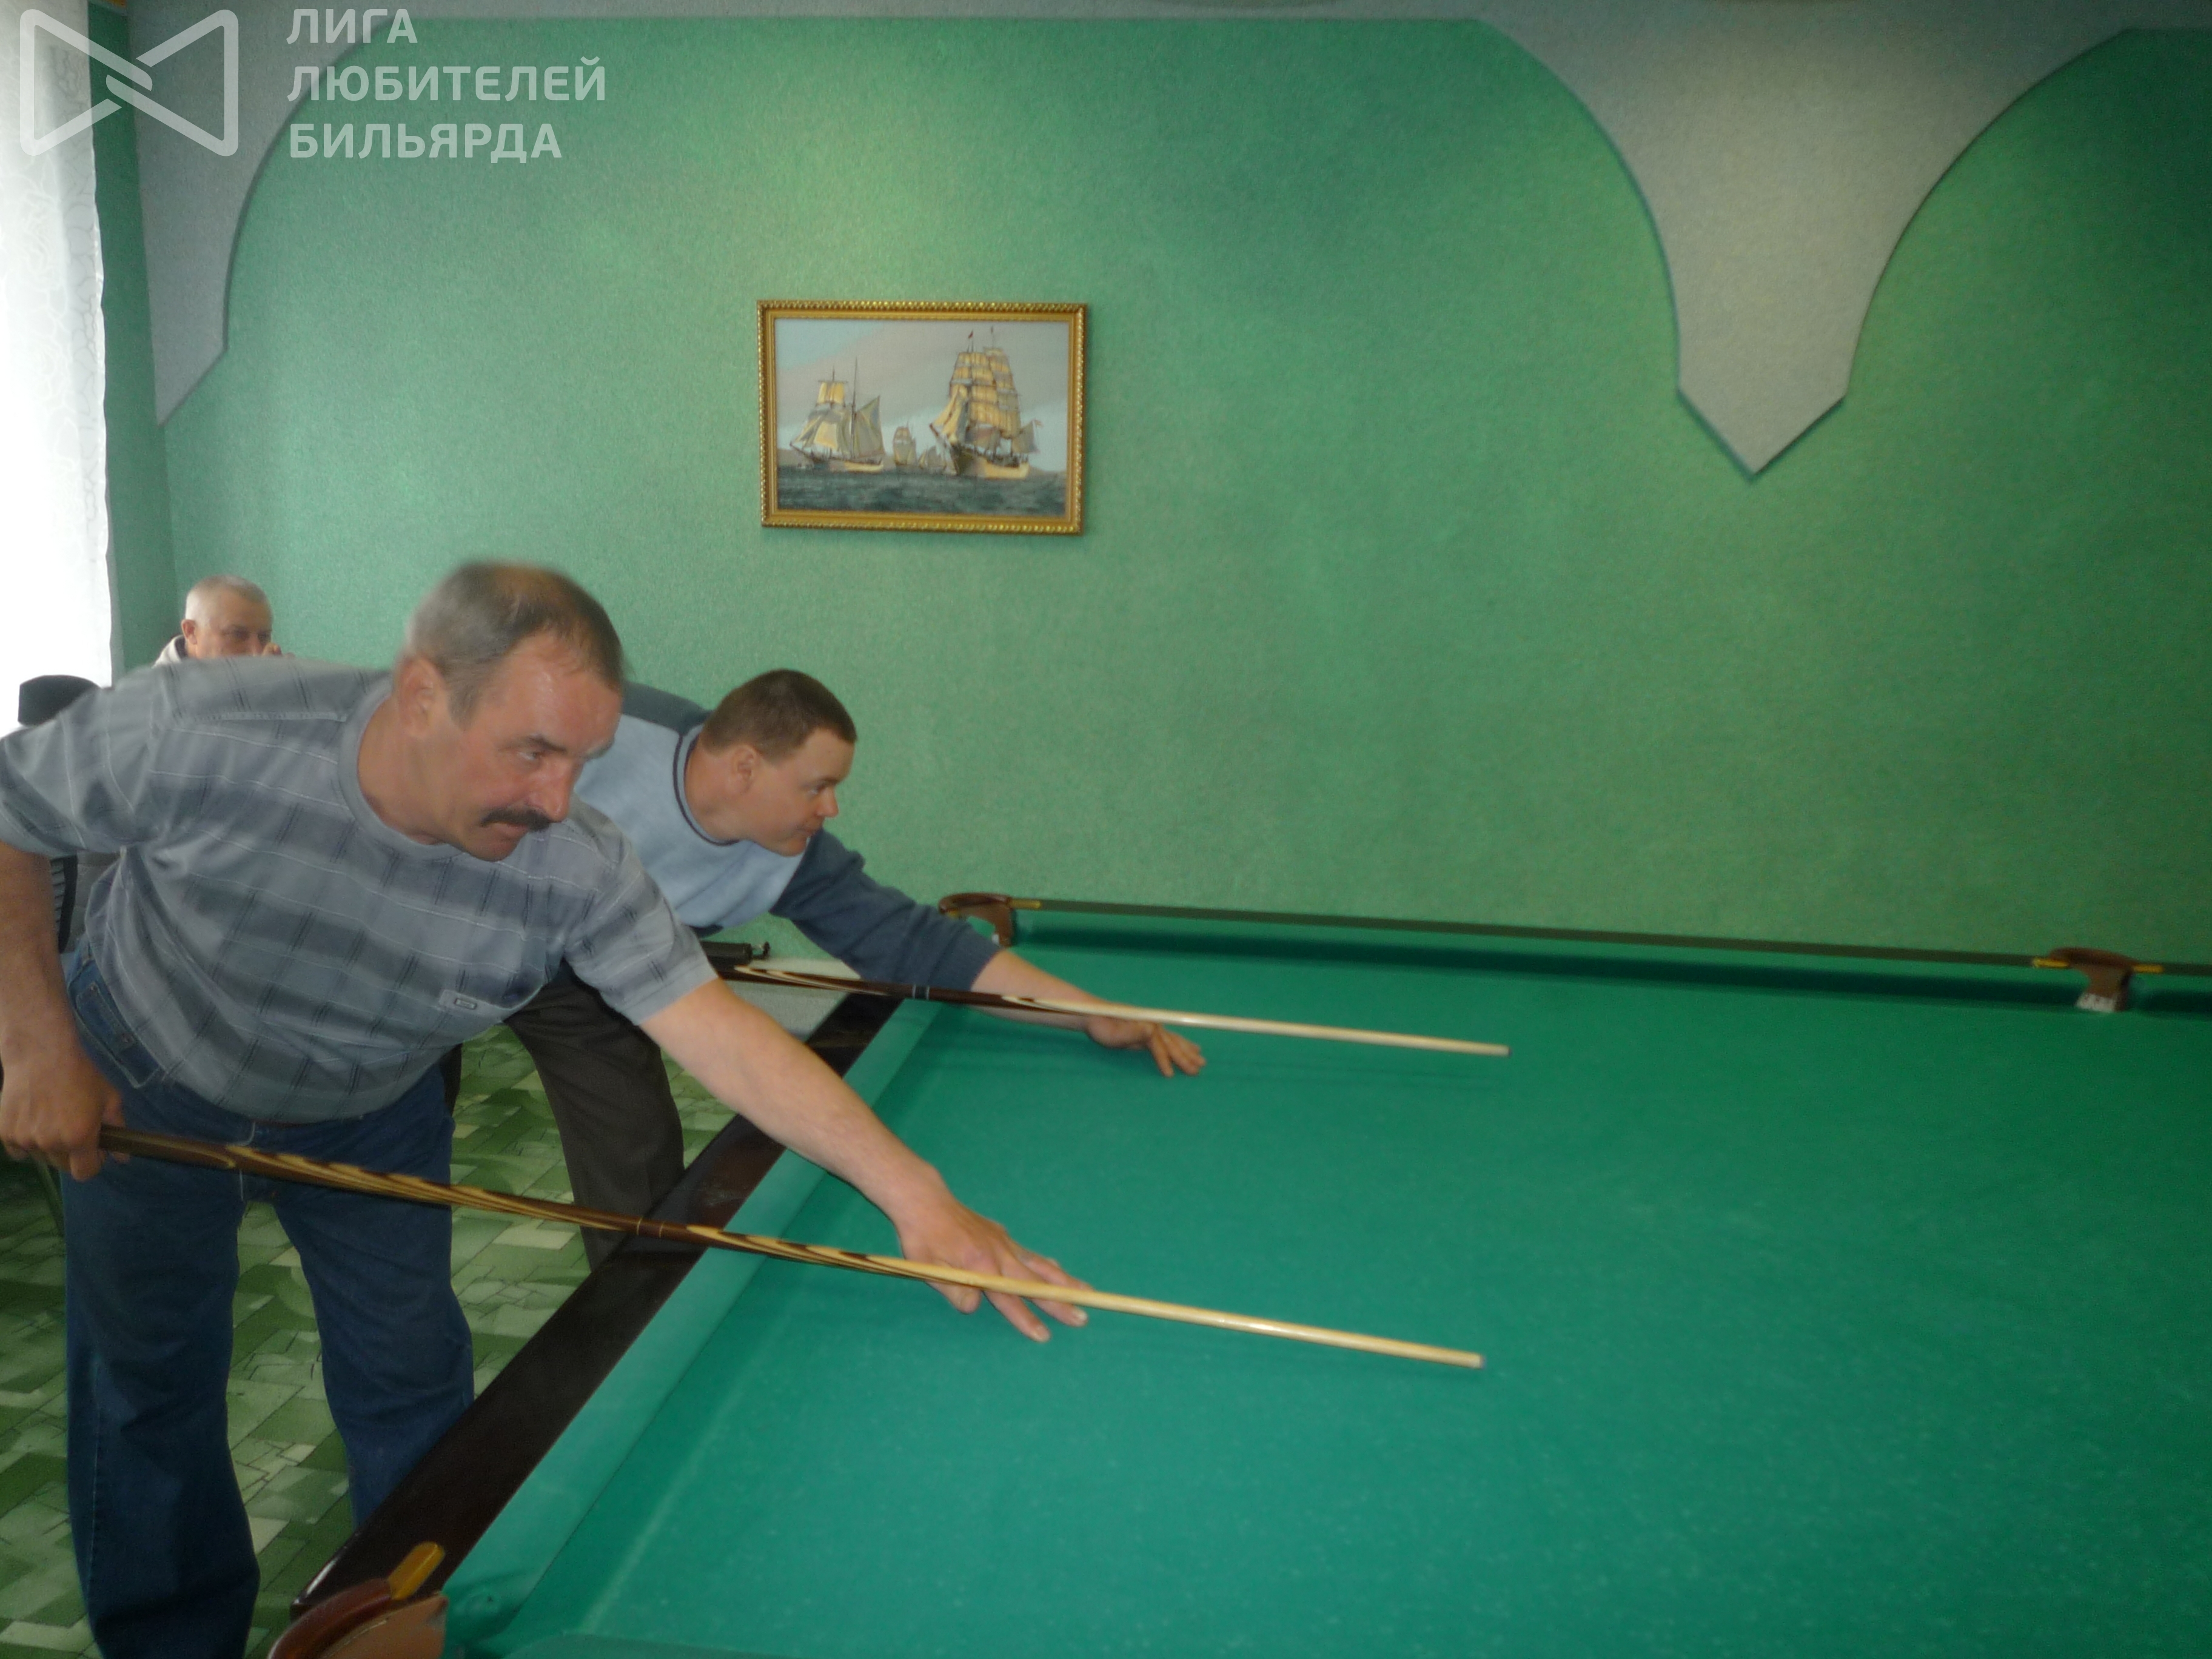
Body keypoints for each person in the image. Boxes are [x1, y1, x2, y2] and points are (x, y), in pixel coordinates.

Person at [0, 565, 1081, 1659]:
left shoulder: (574, 864)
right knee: (152, 1393)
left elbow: (720, 1033)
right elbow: (11, 811)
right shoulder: (205, 723)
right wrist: (36, 1040)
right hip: (146, 1074)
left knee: (411, 1375)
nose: (558, 800)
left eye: (582, 761)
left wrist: (916, 1194)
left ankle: (406, 1624)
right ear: (423, 695)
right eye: (533, 752)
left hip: (372, 1103)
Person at [500, 669, 1205, 1264]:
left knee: (636, 1152)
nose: (831, 808)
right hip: (453, 936)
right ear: (745, 767)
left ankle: (627, 1319)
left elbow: (919, 944)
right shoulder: (600, 732)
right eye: (817, 786)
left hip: (584, 985)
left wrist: (1086, 1013)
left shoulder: (792, 856)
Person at [153, 573, 280, 662]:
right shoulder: (159, 691)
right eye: (237, 634)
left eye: (264, 636)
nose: (257, 653)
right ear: (191, 631)